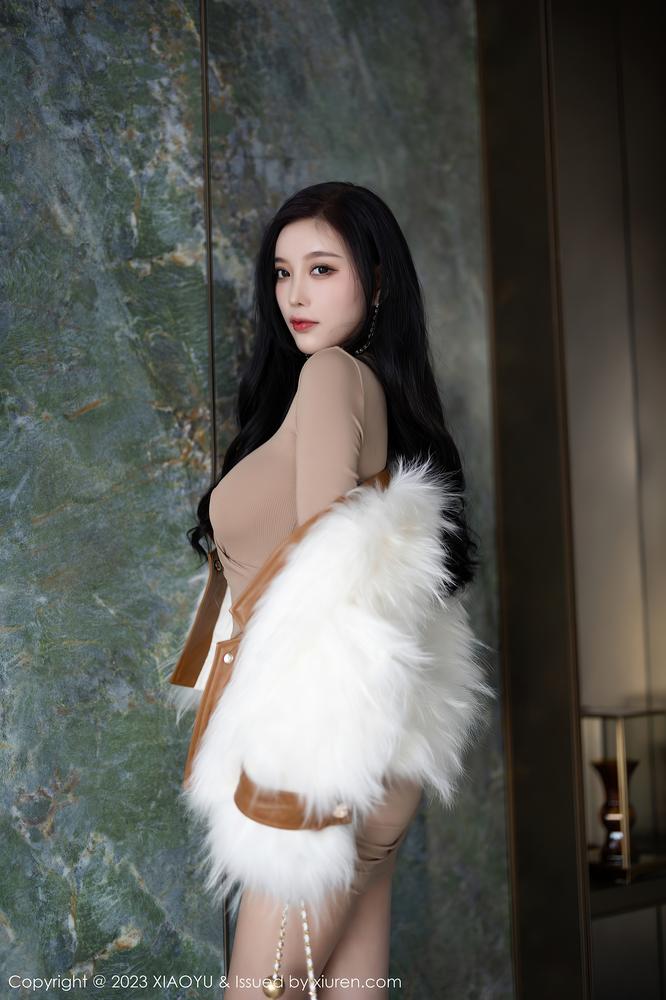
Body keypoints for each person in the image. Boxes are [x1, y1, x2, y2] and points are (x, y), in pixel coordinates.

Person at [177, 181, 490, 998]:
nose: (295, 294)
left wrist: (298, 762)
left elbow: (327, 566)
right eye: (283, 273)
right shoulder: (367, 392)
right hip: (378, 759)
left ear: (376, 282)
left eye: (321, 269)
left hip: (321, 756)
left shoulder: (329, 377)